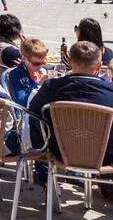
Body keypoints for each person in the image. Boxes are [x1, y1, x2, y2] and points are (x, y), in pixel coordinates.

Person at [29, 41, 113, 181]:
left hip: (61, 153)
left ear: (69, 61)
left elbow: (33, 111)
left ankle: (44, 177)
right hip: (104, 156)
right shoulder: (110, 91)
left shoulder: (52, 87)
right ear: (99, 66)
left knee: (36, 118)